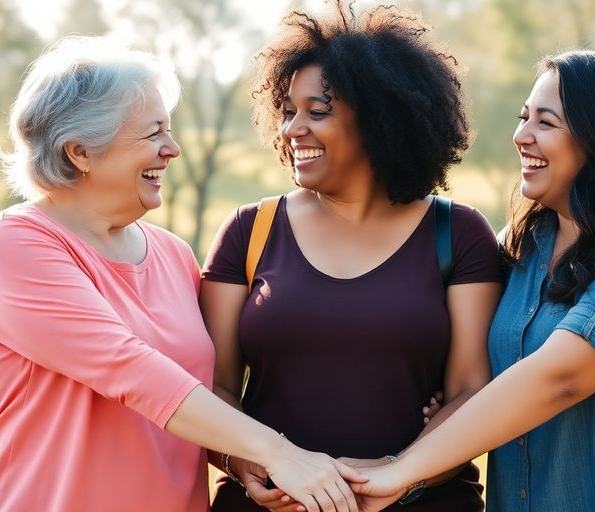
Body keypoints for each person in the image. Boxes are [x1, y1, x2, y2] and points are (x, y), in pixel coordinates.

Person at [0, 36, 366, 512]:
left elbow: (200, 396)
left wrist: (242, 460)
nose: (172, 149)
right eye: (153, 133)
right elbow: (128, 368)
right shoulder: (15, 243)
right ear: (80, 152)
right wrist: (278, 452)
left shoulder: (173, 254)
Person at [350, 49, 595, 511]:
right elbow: (458, 367)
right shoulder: (522, 243)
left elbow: (562, 376)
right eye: (522, 118)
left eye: (545, 123)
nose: (520, 136)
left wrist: (401, 470)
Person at [199, 3, 503, 511]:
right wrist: (254, 468)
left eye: (318, 112)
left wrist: (398, 475)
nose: (292, 129)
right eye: (289, 110)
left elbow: (474, 393)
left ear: (383, 121)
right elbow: (213, 392)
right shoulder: (249, 231)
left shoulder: (459, 233)